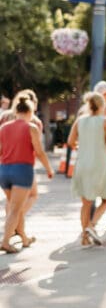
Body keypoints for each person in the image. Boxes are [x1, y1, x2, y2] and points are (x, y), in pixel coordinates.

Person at [0, 95, 54, 253]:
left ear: (16, 111)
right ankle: (5, 242)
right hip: (22, 170)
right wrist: (49, 169)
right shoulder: (31, 128)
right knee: (16, 209)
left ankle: (24, 238)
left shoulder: (3, 128)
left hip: (4, 170)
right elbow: (39, 151)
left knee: (15, 207)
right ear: (30, 112)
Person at [68, 92, 106, 246]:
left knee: (86, 203)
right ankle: (91, 225)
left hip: (82, 164)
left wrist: (83, 148)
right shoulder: (104, 121)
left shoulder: (79, 121)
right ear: (102, 105)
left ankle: (85, 237)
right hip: (100, 164)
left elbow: (71, 142)